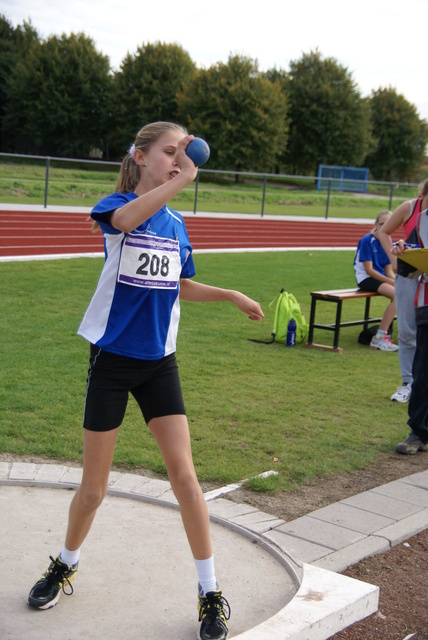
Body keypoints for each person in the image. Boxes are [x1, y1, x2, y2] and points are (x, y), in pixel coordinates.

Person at [27, 121, 264, 640]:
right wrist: (182, 178)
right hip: (112, 361)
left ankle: (209, 594)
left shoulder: (177, 224)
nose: (178, 160)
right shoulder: (115, 207)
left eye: (182, 153)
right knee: (93, 490)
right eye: (169, 152)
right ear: (140, 156)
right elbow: (132, 216)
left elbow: (181, 285)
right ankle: (66, 562)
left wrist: (230, 295)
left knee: (186, 478)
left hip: (160, 363)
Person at [378, 179, 428, 403]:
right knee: (408, 332)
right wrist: (393, 258)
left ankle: (421, 385)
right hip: (408, 277)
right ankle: (408, 383)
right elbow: (383, 231)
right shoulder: (410, 208)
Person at [392, 208, 428, 455]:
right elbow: (412, 266)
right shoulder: (423, 218)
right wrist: (403, 253)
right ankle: (419, 431)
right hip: (427, 304)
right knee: (423, 372)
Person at [353, 210, 398, 351]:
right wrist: (391, 282)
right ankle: (380, 337)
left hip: (380, 278)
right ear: (375, 224)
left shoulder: (389, 242)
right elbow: (369, 270)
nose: (384, 227)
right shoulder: (367, 240)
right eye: (381, 224)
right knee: (398, 295)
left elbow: (388, 271)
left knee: (402, 291)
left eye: (388, 224)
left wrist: (397, 281)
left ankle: (388, 332)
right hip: (366, 279)